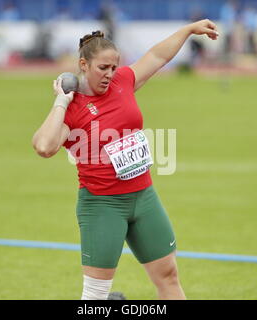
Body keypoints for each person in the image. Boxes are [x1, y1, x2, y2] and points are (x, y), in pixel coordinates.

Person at [32, 20, 219, 300]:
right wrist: (61, 101)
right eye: (102, 68)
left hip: (144, 198)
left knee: (168, 276)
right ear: (83, 65)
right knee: (96, 295)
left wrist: (188, 30)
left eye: (113, 67)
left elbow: (157, 56)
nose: (109, 74)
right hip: (102, 204)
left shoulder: (123, 82)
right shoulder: (72, 110)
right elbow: (44, 146)